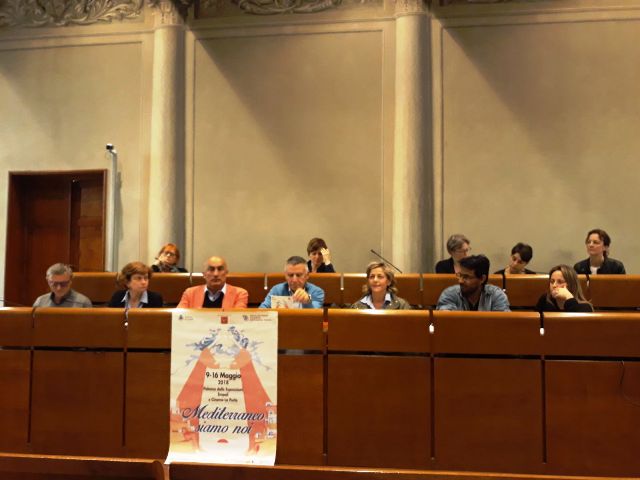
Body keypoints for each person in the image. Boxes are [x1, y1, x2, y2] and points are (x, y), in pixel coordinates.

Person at [437, 254, 510, 311]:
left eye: (466, 277)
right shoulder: (450, 294)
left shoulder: (496, 296)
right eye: (460, 275)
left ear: (482, 279)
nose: (460, 281)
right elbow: (446, 319)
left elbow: (502, 322)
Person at [177, 256, 249, 308]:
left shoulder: (239, 294)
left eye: (220, 269)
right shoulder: (190, 293)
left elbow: (237, 319)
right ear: (204, 274)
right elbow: (178, 317)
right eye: (211, 269)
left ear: (226, 273)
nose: (215, 274)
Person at [259, 256, 324, 308]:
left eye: (299, 275)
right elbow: (262, 310)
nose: (294, 280)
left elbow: (315, 314)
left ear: (307, 275)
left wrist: (307, 301)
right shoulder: (276, 290)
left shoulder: (317, 292)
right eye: (290, 275)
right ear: (285, 276)